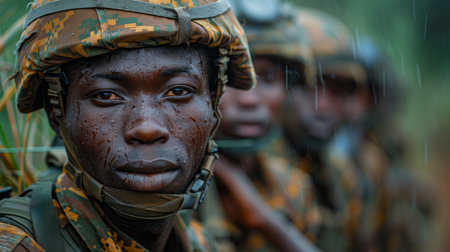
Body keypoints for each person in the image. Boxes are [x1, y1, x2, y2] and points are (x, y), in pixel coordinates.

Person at [0, 0, 256, 251]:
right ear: (56, 112)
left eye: (178, 91)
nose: (147, 128)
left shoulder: (197, 241)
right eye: (106, 96)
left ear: (213, 102)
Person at [198, 2, 320, 251]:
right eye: (229, 76)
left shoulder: (292, 188)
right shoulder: (164, 194)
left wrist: (266, 221)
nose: (249, 98)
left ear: (288, 89)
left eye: (267, 77)